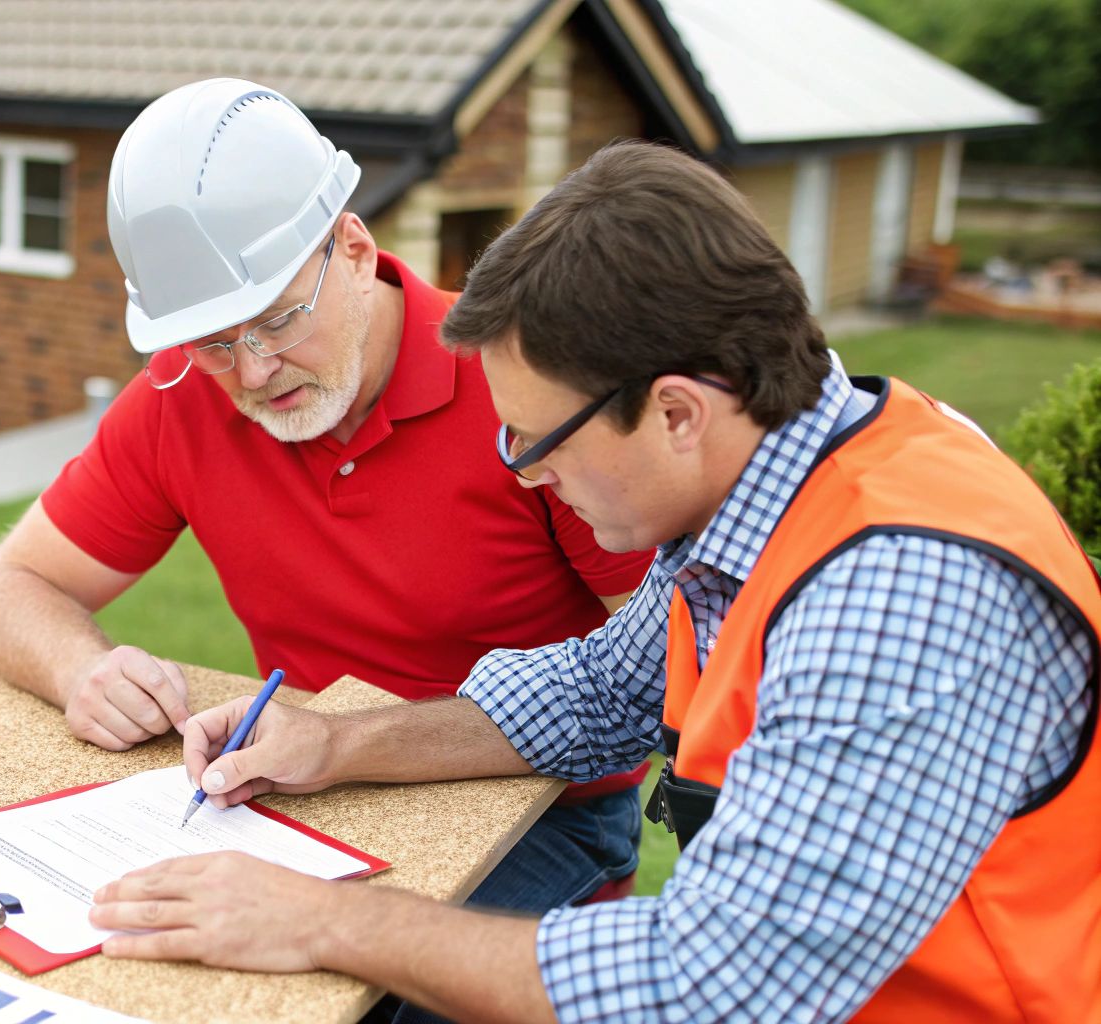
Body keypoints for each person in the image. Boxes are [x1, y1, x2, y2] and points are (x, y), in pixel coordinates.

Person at [87, 140, 1101, 1023]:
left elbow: (709, 987)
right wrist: (335, 742)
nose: (521, 470)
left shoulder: (895, 597)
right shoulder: (779, 484)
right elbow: (598, 692)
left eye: (538, 439)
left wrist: (321, 919)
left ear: (674, 413)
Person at [0, 77, 654, 914]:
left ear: (354, 251)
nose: (254, 371)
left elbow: (662, 668)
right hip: (298, 789)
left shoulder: (524, 390)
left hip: (540, 809)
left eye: (279, 319)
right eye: (216, 341)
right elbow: (15, 585)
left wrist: (350, 743)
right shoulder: (180, 397)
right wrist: (79, 670)